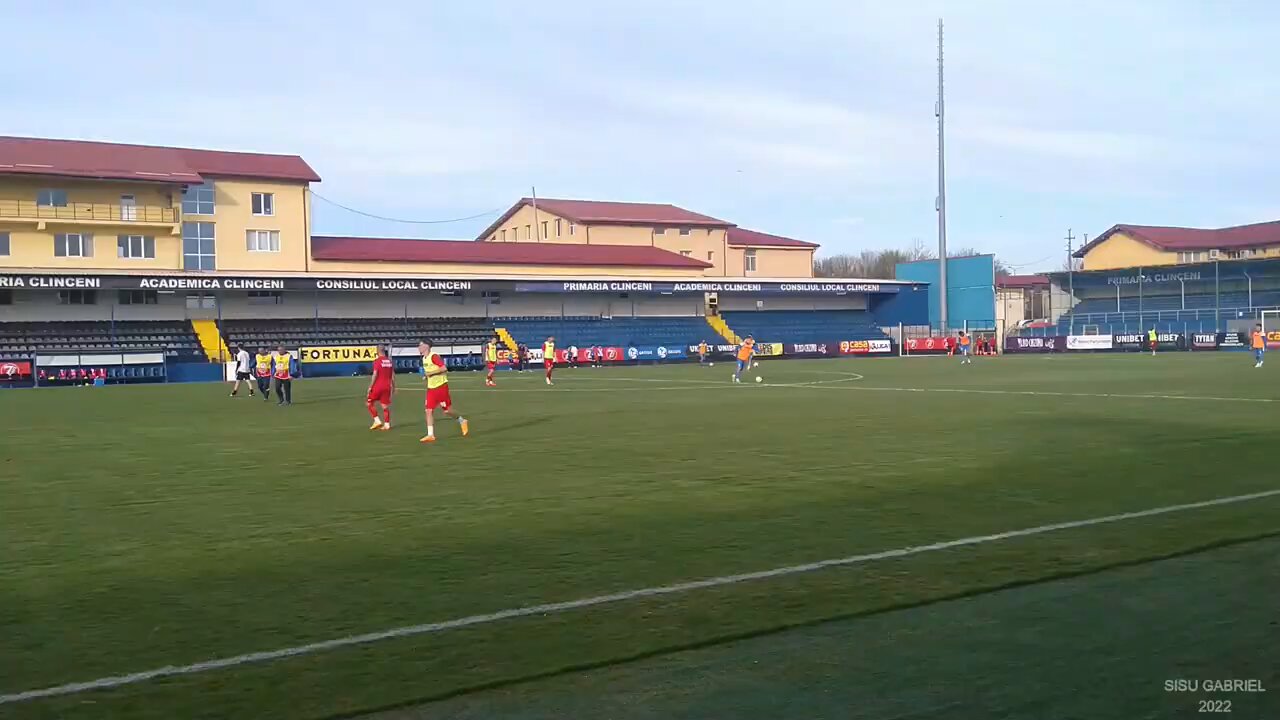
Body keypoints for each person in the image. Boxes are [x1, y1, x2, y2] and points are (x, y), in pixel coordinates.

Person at [419, 340, 469, 443]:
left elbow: (443, 368)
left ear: (427, 346)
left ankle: (462, 421)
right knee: (428, 410)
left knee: (447, 411)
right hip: (431, 388)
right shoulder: (424, 358)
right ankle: (430, 435)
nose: (418, 347)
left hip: (441, 387)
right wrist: (427, 376)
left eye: (420, 345)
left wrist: (430, 374)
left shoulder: (434, 356)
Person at [367, 345, 395, 430]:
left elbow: (375, 374)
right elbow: (393, 375)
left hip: (378, 386)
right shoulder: (389, 361)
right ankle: (387, 424)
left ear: (377, 351)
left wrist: (370, 386)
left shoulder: (377, 361)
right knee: (384, 406)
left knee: (369, 403)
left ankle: (377, 421)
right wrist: (394, 386)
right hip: (387, 387)